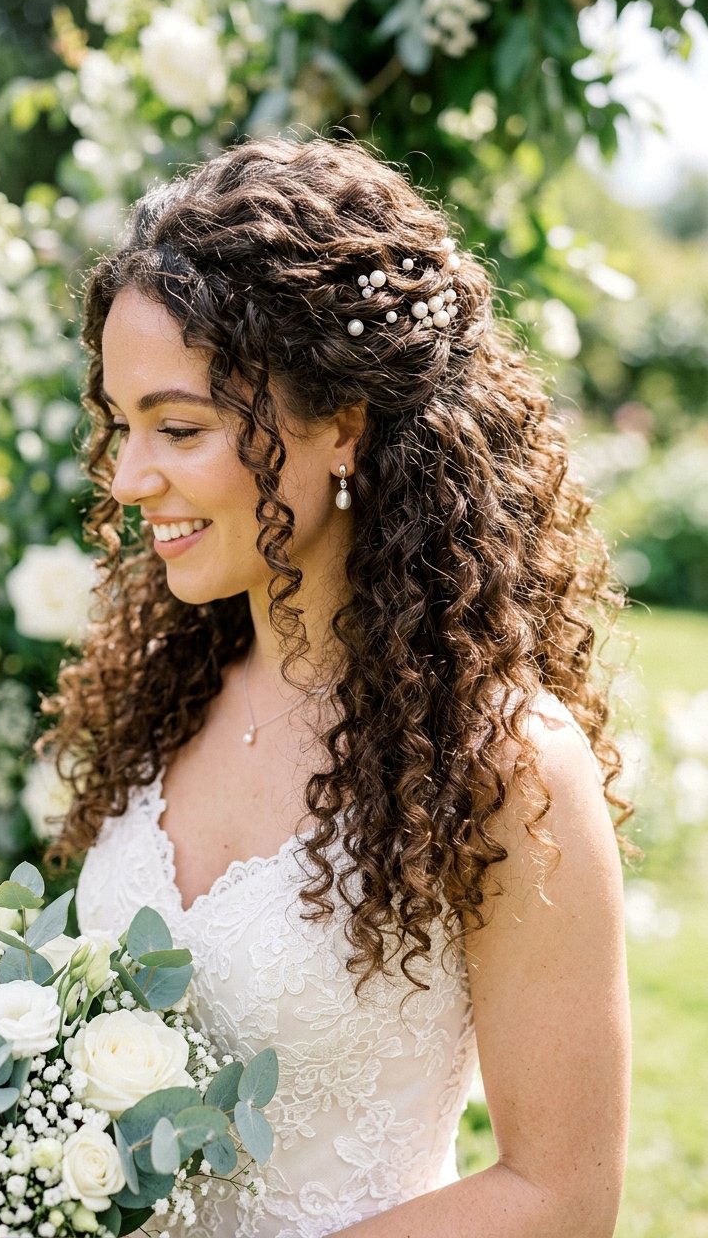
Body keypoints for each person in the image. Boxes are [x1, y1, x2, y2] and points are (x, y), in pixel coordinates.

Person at [40, 133, 636, 1238]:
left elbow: (561, 1194)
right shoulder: (166, 694)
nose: (128, 479)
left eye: (177, 427)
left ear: (344, 429)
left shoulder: (500, 759)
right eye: (121, 427)